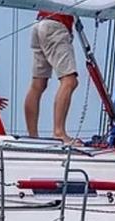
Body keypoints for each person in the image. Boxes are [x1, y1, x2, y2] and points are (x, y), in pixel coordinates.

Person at [24, 11, 79, 142]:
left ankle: (32, 136)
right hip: (56, 25)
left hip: (39, 24)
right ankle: (59, 132)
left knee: (38, 84)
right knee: (70, 81)